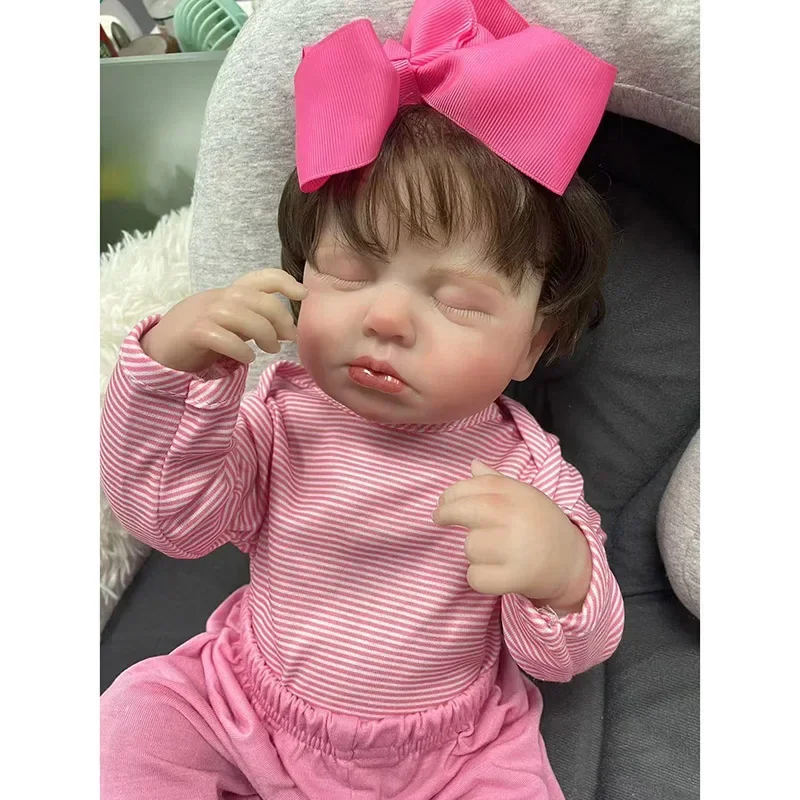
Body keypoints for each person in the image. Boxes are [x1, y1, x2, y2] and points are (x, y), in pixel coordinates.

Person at [100, 0, 625, 796]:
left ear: (534, 344)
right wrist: (177, 374)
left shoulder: (525, 469)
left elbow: (563, 654)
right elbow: (170, 519)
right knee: (133, 721)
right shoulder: (279, 415)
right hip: (244, 705)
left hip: (451, 750)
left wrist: (562, 575)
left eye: (456, 302)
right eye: (349, 274)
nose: (385, 319)